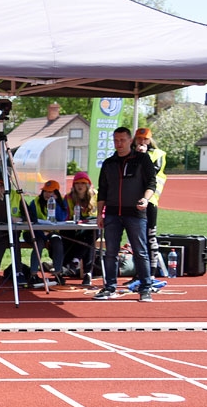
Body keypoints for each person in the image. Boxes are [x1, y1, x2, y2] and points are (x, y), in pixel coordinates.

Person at [94, 127, 157, 301]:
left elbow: (151, 183)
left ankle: (145, 288)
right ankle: (109, 287)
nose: (119, 144)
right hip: (113, 213)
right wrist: (100, 214)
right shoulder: (109, 163)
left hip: (135, 213)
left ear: (131, 141)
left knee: (140, 251)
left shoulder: (142, 159)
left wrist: (145, 199)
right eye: (115, 140)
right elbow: (103, 190)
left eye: (122, 140)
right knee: (110, 252)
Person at [134, 127, 168, 279]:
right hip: (132, 201)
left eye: (145, 139)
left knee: (150, 236)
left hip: (150, 202)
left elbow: (151, 173)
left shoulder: (158, 154)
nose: (142, 141)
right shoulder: (130, 155)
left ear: (150, 140)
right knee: (136, 239)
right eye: (139, 139)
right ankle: (139, 272)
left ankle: (151, 274)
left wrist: (142, 155)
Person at [27, 180, 68, 286]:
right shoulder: (35, 202)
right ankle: (33, 274)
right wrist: (42, 233)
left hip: (52, 233)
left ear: (56, 193)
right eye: (45, 191)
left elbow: (62, 218)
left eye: (51, 192)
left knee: (58, 243)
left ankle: (58, 273)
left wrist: (55, 204)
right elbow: (32, 219)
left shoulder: (61, 202)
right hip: (36, 233)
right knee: (38, 244)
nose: (47, 194)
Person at [63, 171, 98, 286]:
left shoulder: (96, 196)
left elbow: (103, 212)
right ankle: (87, 272)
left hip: (94, 227)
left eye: (83, 183)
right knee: (87, 242)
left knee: (90, 235)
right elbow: (65, 216)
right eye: (77, 183)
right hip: (75, 228)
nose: (80, 185)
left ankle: (75, 261)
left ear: (88, 184)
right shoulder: (68, 197)